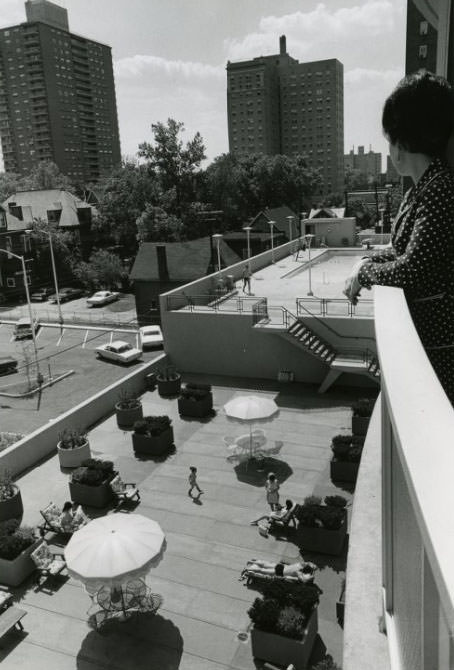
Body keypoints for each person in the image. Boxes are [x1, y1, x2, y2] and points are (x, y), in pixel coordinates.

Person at [344, 71, 454, 404]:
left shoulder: (440, 190)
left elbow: (413, 266)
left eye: (389, 138)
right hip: (426, 341)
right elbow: (399, 250)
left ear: (403, 143)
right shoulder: (420, 191)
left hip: (440, 349)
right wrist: (366, 262)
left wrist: (364, 273)